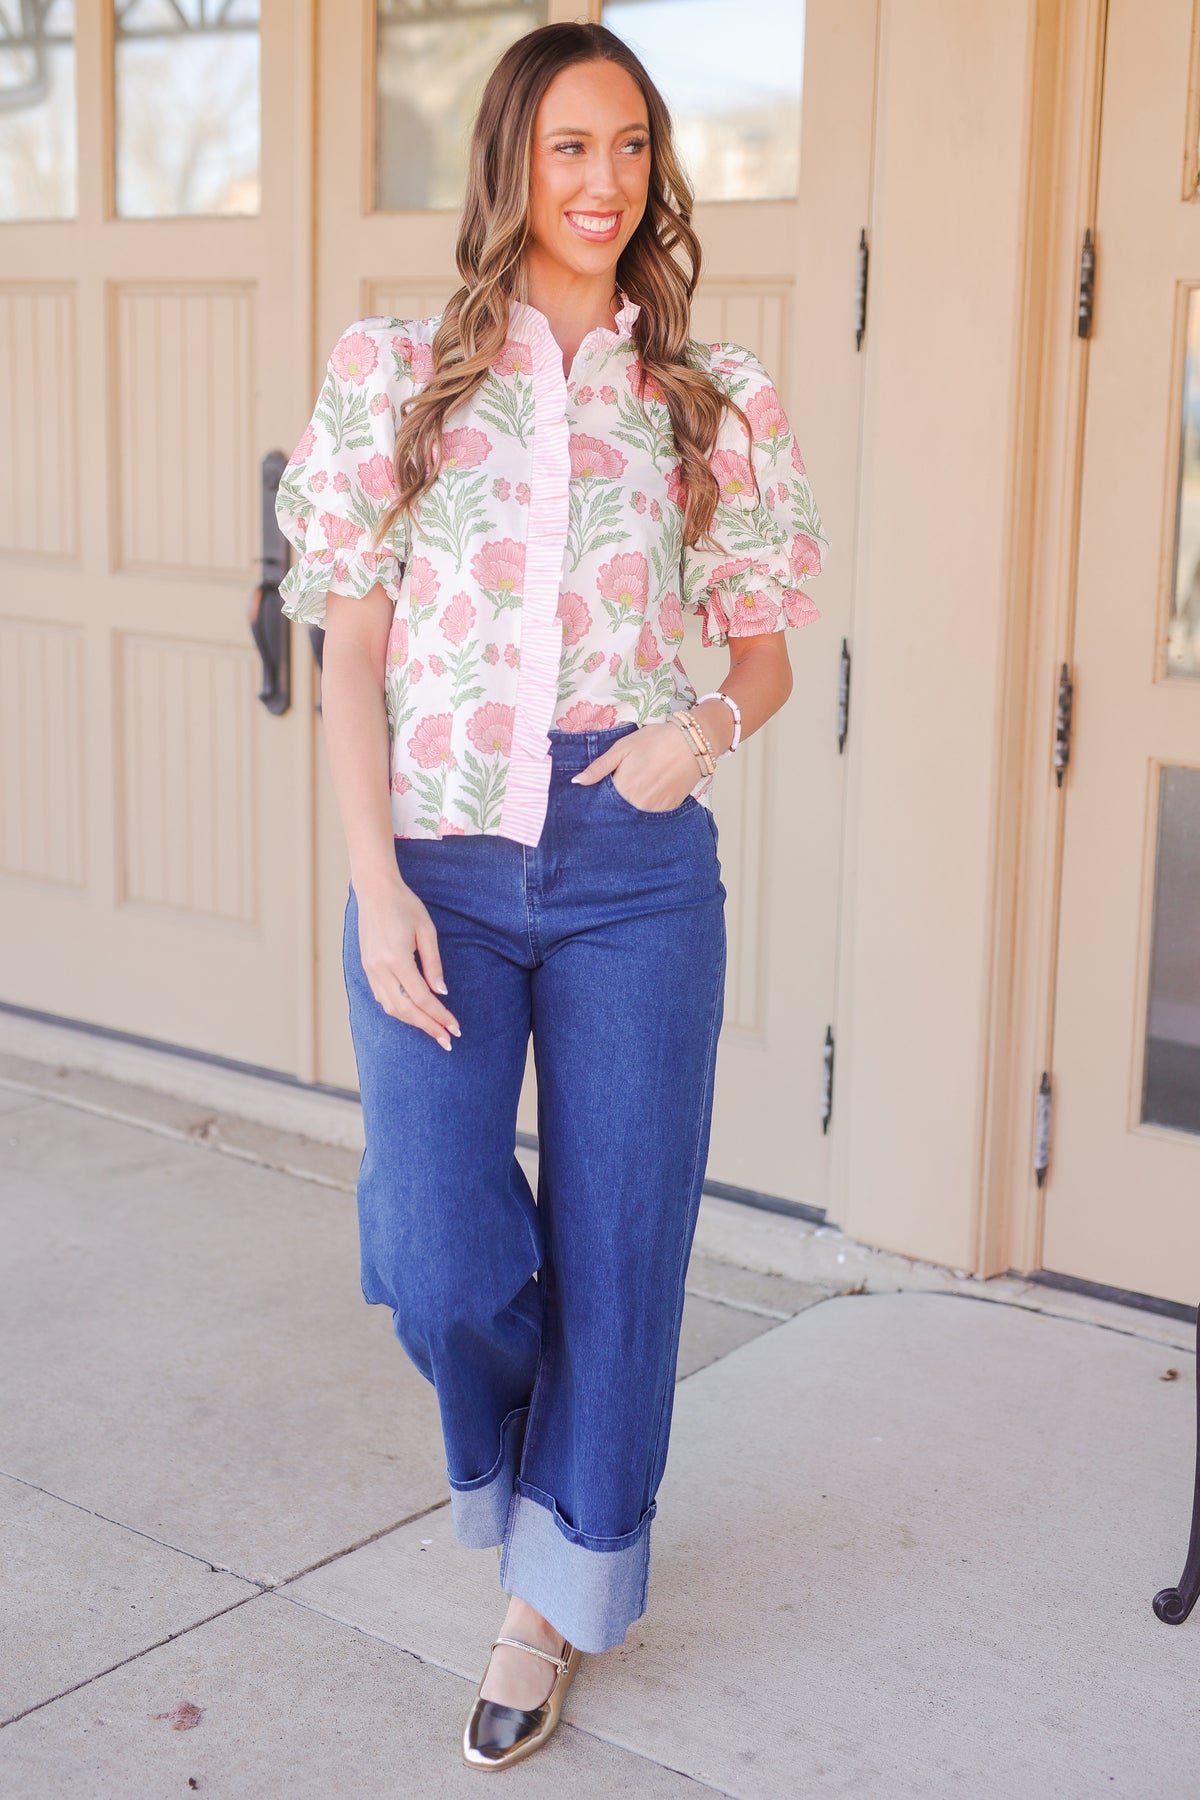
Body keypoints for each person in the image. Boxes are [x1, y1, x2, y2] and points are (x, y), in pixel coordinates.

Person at [275, 19, 829, 1773]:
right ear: (510, 160)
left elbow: (765, 651)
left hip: (633, 868)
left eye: (634, 149)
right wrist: (373, 886)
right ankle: (543, 1478)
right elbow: (347, 648)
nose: (605, 184)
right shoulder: (395, 373)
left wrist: (705, 733)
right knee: (435, 1249)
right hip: (436, 856)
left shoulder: (712, 395)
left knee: (622, 1242)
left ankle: (558, 1590)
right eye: (570, 147)